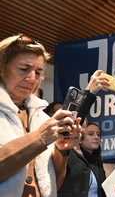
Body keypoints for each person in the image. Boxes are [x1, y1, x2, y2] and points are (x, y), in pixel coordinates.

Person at [0, 34, 81, 197]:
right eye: (24, 69)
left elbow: (52, 185)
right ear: (2, 67)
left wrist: (61, 151)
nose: (31, 79)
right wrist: (39, 138)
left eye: (38, 72)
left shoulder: (42, 119)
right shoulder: (44, 127)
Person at [57, 70, 115, 197]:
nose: (81, 124)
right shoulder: (62, 153)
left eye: (83, 122)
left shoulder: (94, 161)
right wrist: (89, 93)